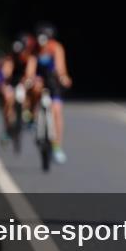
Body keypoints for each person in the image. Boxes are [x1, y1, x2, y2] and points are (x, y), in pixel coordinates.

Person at [25, 23, 73, 163]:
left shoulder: (56, 48)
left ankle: (57, 147)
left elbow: (60, 67)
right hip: (39, 80)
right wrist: (29, 78)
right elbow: (30, 67)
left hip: (53, 81)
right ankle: (32, 116)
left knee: (57, 110)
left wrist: (63, 78)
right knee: (34, 88)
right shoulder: (34, 50)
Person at [0, 32, 34, 144]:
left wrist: (26, 80)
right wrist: (7, 74)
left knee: (28, 89)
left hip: (23, 83)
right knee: (7, 99)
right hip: (12, 83)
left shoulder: (30, 59)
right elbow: (6, 73)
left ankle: (27, 113)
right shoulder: (10, 58)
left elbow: (30, 73)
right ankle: (7, 129)